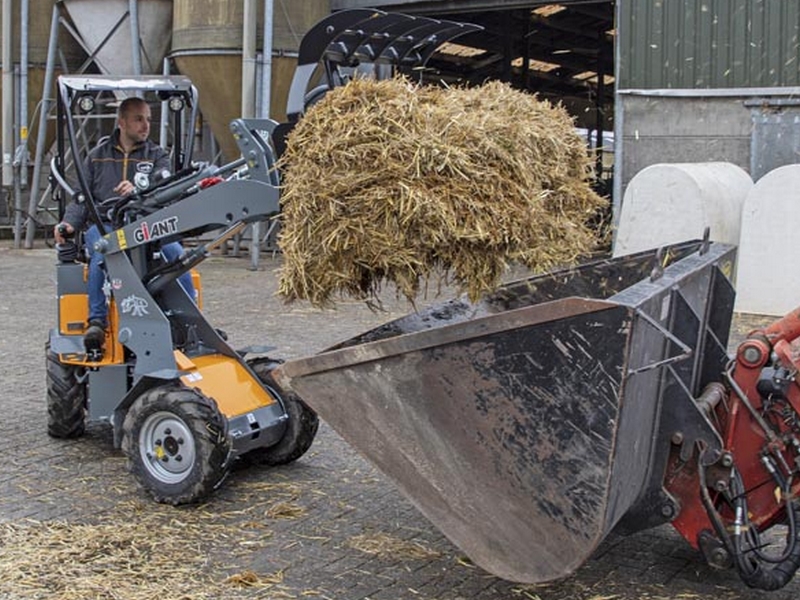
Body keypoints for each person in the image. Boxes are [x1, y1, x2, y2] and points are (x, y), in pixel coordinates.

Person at [54, 96, 196, 350]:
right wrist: (68, 224)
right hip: (106, 222)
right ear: (121, 122)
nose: (145, 125)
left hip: (146, 225)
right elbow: (81, 197)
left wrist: (140, 188)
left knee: (177, 255)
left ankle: (191, 322)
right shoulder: (97, 157)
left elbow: (164, 182)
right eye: (138, 119)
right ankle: (97, 322)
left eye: (148, 120)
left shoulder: (156, 155)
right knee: (102, 252)